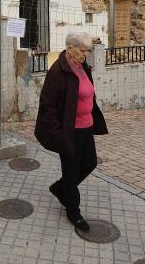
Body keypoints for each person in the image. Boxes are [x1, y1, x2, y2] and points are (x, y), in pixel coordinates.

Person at [34, 32, 108, 231]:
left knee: (90, 163)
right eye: (82, 50)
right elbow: (47, 106)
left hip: (86, 126)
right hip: (69, 131)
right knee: (71, 171)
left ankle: (60, 188)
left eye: (87, 51)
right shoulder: (58, 72)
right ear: (70, 48)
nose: (86, 54)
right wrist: (58, 135)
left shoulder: (83, 66)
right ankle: (73, 211)